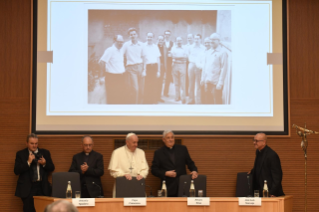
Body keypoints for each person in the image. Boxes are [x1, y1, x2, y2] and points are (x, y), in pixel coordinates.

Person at [14, 133, 55, 212]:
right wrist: (28, 162)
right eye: (32, 143)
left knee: (44, 209)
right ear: (27, 143)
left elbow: (52, 168)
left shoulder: (45, 153)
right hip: (27, 188)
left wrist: (44, 164)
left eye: (36, 143)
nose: (34, 146)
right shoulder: (20, 154)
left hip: (42, 187)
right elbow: (16, 171)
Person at [151, 130, 198, 197]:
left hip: (183, 186)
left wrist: (194, 170)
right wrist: (165, 173)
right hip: (168, 188)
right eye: (168, 138)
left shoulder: (182, 149)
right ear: (163, 140)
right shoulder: (158, 153)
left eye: (172, 137)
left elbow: (190, 163)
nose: (171, 139)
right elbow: (154, 170)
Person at [249, 133, 285, 197]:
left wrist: (272, 192)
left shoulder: (272, 155)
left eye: (256, 141)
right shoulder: (258, 152)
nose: (254, 143)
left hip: (269, 192)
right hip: (260, 191)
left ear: (264, 142)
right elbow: (261, 166)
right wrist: (252, 171)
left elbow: (277, 176)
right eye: (254, 140)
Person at [201, 33, 228, 104]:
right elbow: (205, 67)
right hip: (207, 82)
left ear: (219, 41)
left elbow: (224, 68)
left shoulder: (222, 52)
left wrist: (220, 83)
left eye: (214, 39)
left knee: (217, 103)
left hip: (216, 84)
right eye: (210, 39)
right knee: (208, 103)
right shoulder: (208, 52)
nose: (211, 41)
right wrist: (203, 79)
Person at [99, 35, 125, 104]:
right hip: (112, 77)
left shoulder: (121, 50)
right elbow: (102, 62)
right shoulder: (110, 50)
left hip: (121, 76)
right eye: (119, 42)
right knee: (112, 98)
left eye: (122, 42)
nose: (121, 44)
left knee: (120, 97)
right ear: (114, 41)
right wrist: (101, 76)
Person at [122, 28, 144, 104]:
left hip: (140, 67)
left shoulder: (141, 44)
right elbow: (120, 54)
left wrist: (144, 69)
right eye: (131, 35)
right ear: (129, 36)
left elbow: (144, 57)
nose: (133, 36)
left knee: (141, 89)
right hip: (131, 68)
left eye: (134, 34)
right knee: (135, 89)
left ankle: (140, 105)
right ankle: (135, 106)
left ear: (137, 35)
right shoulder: (126, 45)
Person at [142, 32, 161, 104]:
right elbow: (143, 58)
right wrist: (144, 70)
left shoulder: (155, 46)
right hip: (147, 67)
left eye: (151, 37)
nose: (149, 38)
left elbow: (158, 59)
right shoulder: (143, 46)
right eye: (148, 37)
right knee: (147, 84)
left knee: (154, 84)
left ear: (153, 38)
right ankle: (146, 101)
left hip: (154, 67)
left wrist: (158, 71)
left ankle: (154, 101)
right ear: (146, 37)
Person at [187, 34, 205, 104]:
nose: (196, 40)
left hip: (199, 66)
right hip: (191, 65)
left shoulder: (203, 48)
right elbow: (188, 55)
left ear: (200, 39)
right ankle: (191, 100)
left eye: (198, 39)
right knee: (191, 83)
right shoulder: (190, 47)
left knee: (198, 84)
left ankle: (198, 101)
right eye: (195, 39)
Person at [171, 37, 188, 104]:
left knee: (183, 82)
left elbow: (186, 57)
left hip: (182, 65)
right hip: (175, 65)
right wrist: (181, 57)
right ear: (176, 41)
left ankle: (183, 98)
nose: (179, 42)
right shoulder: (173, 48)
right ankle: (177, 97)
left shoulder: (185, 48)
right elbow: (173, 56)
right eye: (178, 41)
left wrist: (177, 58)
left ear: (182, 41)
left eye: (180, 40)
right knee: (176, 82)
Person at [162, 30, 174, 98]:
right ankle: (158, 93)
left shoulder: (172, 43)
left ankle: (165, 92)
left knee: (168, 78)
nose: (167, 35)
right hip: (162, 62)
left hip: (169, 63)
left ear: (170, 35)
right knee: (160, 78)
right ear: (164, 35)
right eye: (166, 34)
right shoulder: (161, 42)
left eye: (168, 34)